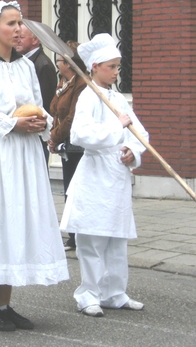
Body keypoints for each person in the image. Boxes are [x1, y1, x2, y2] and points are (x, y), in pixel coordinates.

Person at [0, 0, 68, 332]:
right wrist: (9, 123)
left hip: (21, 155)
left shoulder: (24, 66)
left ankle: (4, 305)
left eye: (20, 23)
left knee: (14, 221)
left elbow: (36, 103)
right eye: (11, 23)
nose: (19, 29)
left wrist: (42, 121)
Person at [60, 33, 148, 317]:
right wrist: (115, 129)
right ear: (95, 66)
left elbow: (139, 132)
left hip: (117, 175)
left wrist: (133, 151)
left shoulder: (117, 98)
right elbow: (80, 134)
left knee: (116, 239)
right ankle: (89, 294)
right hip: (95, 174)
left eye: (118, 67)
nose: (115, 72)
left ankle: (114, 292)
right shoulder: (88, 96)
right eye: (111, 66)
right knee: (93, 239)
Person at [47, 41, 87, 251]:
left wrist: (54, 137)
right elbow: (55, 108)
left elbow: (72, 118)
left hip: (76, 146)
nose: (58, 63)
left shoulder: (81, 84)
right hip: (65, 145)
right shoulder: (65, 81)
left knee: (75, 189)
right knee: (67, 189)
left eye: (60, 60)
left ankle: (78, 235)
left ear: (70, 63)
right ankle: (72, 234)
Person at [16, 23, 58, 162]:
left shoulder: (42, 65)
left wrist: (38, 123)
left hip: (36, 130)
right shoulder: (23, 62)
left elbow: (44, 102)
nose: (18, 40)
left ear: (35, 40)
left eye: (22, 37)